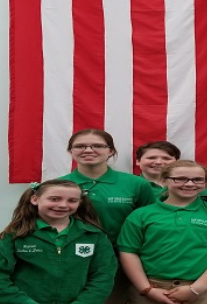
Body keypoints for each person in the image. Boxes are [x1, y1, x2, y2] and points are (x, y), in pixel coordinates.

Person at [118, 160, 207, 304]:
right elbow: (129, 253)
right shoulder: (140, 215)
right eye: (181, 179)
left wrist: (196, 289)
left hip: (204, 291)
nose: (189, 184)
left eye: (197, 180)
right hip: (152, 289)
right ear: (164, 180)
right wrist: (147, 289)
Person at [0, 180, 117, 304]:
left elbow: (103, 278)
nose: (63, 205)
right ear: (34, 199)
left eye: (72, 200)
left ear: (79, 203)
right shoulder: (16, 235)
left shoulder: (94, 236)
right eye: (54, 199)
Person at [59, 128, 156, 304]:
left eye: (97, 145)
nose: (88, 150)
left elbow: (151, 225)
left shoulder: (137, 184)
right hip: (70, 261)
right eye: (80, 146)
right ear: (70, 151)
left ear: (111, 151)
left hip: (123, 263)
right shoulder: (56, 185)